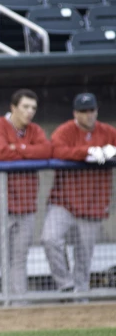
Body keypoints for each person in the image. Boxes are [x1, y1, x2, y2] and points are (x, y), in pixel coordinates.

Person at [0, 89, 53, 300]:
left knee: (20, 257)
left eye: (33, 108)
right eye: (25, 107)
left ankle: (19, 302)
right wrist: (28, 151)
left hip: (26, 205)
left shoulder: (35, 130)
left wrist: (18, 147)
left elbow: (46, 151)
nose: (30, 112)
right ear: (13, 108)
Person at [41, 93, 116, 293]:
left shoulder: (108, 132)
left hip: (93, 203)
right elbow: (56, 150)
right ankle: (65, 285)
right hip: (64, 202)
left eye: (91, 110)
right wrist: (89, 152)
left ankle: (80, 298)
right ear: (75, 113)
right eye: (83, 111)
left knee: (84, 256)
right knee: (50, 239)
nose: (88, 115)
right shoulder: (65, 131)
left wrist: (110, 152)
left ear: (96, 111)